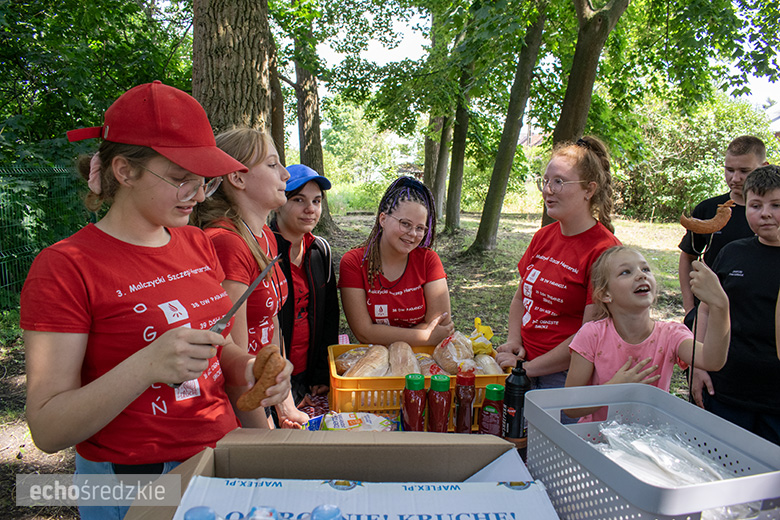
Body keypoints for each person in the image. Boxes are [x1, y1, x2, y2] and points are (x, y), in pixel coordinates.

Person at [20, 82, 292, 520]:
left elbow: (217, 350)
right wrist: (147, 365)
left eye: (204, 180)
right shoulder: (65, 267)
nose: (200, 195)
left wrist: (250, 368)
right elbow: (49, 428)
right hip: (133, 481)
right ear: (124, 171)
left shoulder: (196, 243)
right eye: (182, 178)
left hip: (218, 458)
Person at [191, 128, 309, 428]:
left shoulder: (265, 235)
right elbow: (233, 362)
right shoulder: (226, 243)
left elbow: (270, 324)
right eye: (272, 164)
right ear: (238, 178)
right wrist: (263, 435)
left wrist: (285, 407)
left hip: (262, 401)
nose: (285, 175)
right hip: (238, 413)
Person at [495, 136, 621, 399]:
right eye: (546, 181)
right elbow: (521, 297)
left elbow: (588, 339)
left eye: (559, 182)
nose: (548, 190)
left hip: (565, 378)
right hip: (525, 367)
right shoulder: (544, 236)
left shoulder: (604, 251)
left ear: (589, 189)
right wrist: (514, 341)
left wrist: (527, 369)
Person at [563, 246, 730, 422]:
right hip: (596, 441)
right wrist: (614, 388)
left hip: (650, 443)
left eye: (645, 269)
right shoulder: (592, 335)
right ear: (605, 294)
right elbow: (570, 407)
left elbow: (712, 360)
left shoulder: (671, 334)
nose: (641, 275)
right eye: (626, 272)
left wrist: (720, 306)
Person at [694, 165, 780, 445]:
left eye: (776, 205)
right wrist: (699, 365)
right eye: (755, 205)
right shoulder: (733, 253)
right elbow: (705, 308)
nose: (765, 213)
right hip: (726, 388)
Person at [338, 176, 454, 346]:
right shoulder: (354, 262)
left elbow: (441, 325)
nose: (413, 234)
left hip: (423, 361)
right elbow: (364, 333)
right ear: (383, 219)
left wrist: (381, 334)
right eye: (405, 224)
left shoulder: (428, 260)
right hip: (375, 362)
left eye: (420, 228)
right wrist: (424, 336)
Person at [678, 136, 767, 329]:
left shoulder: (771, 216)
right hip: (710, 314)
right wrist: (689, 308)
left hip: (759, 315)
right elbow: (688, 257)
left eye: (745, 171)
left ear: (763, 167)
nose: (735, 178)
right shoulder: (708, 210)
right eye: (730, 170)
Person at [270, 164, 339, 404]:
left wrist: (321, 373)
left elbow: (329, 316)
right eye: (299, 200)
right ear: (279, 202)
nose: (310, 209)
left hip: (309, 375)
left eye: (317, 201)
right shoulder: (263, 251)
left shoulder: (321, 250)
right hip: (273, 381)